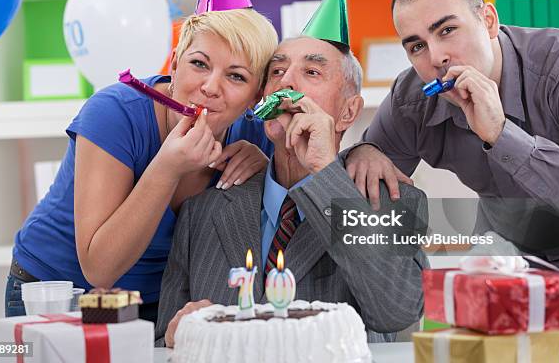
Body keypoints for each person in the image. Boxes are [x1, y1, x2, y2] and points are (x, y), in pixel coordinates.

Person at [5, 7, 279, 324]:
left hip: (159, 303)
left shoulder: (256, 134)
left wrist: (266, 172)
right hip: (60, 295)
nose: (210, 87)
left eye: (236, 76)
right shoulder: (113, 113)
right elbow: (99, 269)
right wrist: (166, 168)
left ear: (255, 95)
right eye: (199, 64)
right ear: (175, 64)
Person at [154, 35, 429, 347]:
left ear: (349, 113)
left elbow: (398, 312)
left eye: (311, 72)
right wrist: (180, 333)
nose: (286, 82)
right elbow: (164, 340)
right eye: (277, 71)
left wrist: (325, 171)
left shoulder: (393, 201)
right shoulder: (200, 212)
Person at [346, 0, 559, 271]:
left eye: (447, 30)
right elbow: (357, 222)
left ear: (488, 21)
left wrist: (501, 134)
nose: (436, 57)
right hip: (501, 268)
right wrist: (361, 152)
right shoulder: (410, 100)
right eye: (417, 46)